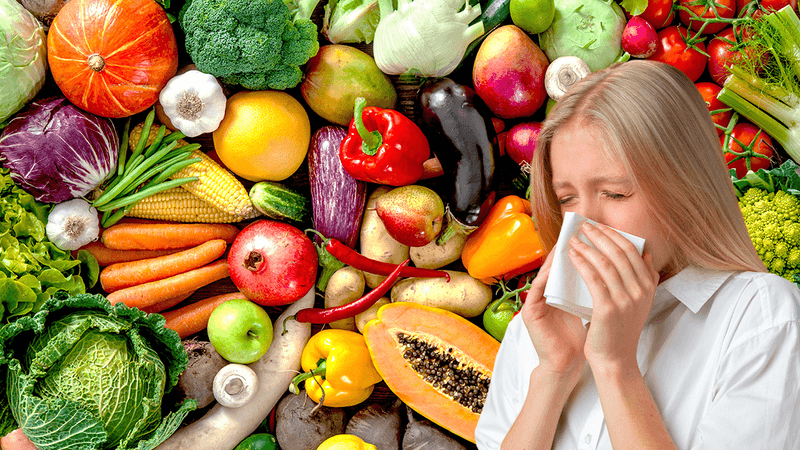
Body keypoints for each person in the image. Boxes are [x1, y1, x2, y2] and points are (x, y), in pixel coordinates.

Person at [474, 60, 800, 450]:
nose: (585, 223)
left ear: (687, 188)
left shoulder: (763, 317)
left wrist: (616, 367)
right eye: (567, 199)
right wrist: (554, 373)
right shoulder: (537, 333)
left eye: (614, 193)